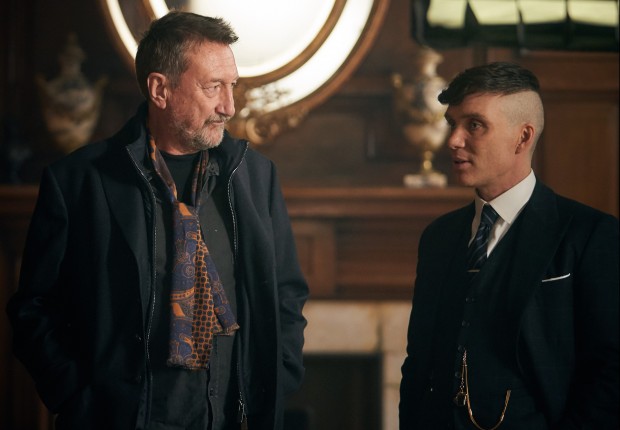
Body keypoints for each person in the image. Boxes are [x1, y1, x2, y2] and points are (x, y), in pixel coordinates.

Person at [7, 11, 308, 430]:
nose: (229, 106)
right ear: (160, 89)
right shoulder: (77, 182)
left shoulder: (255, 176)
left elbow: (286, 293)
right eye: (213, 87)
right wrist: (78, 399)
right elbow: (33, 309)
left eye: (232, 86)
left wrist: (279, 375)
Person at [399, 62, 619, 429]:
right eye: (452, 123)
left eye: (474, 125)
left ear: (522, 137)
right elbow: (417, 363)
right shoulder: (438, 237)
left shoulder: (591, 234)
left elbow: (610, 372)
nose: (453, 140)